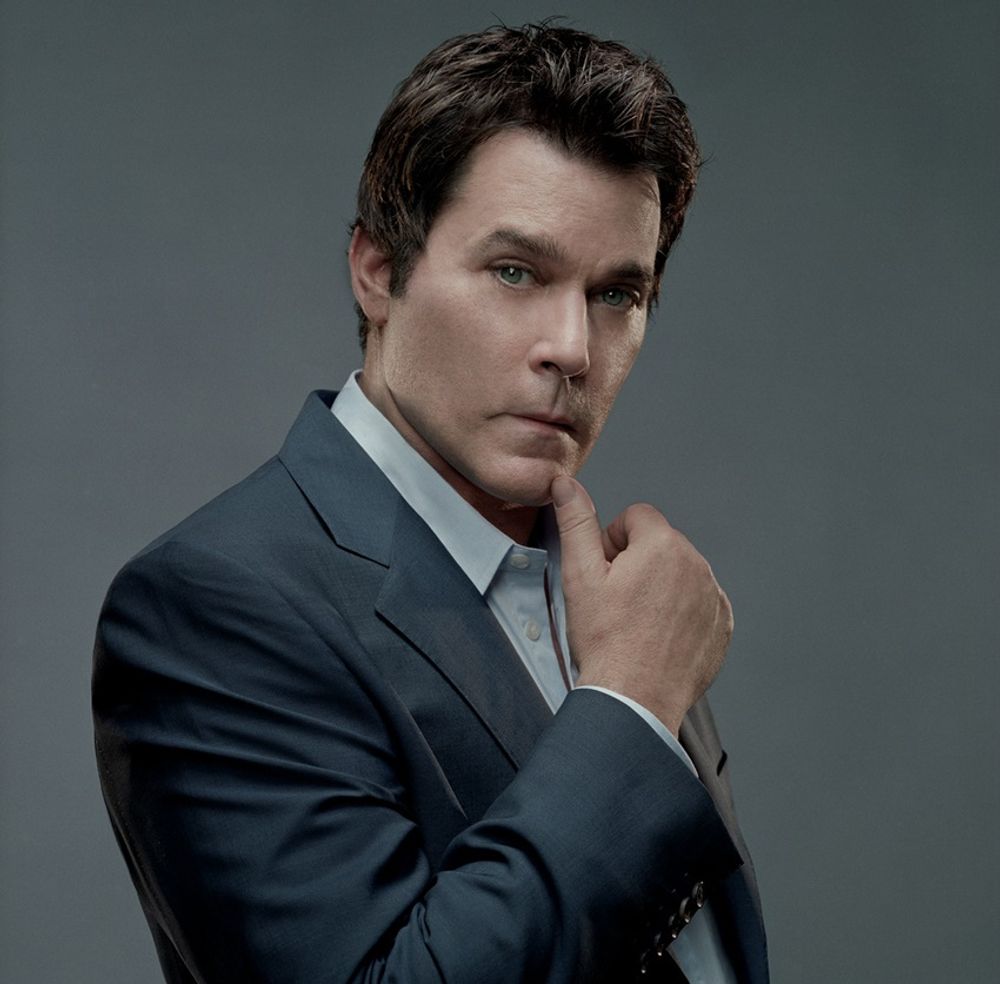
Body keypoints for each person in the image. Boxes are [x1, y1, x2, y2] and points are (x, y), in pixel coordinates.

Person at [93, 23, 768, 984]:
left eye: (618, 294)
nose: (573, 347)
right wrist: (630, 706)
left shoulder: (629, 600)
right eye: (516, 272)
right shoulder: (211, 608)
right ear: (379, 270)